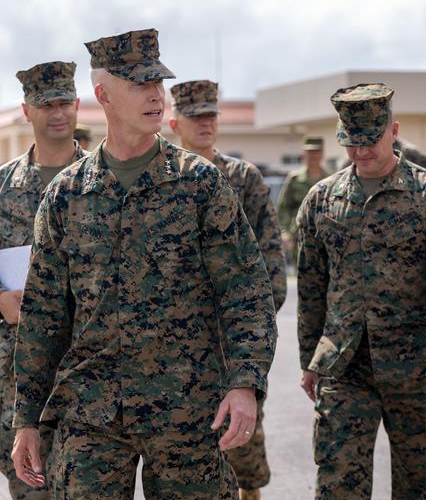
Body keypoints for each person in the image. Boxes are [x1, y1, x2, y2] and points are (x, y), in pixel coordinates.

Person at [10, 28, 277, 498]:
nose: (156, 95)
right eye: (139, 85)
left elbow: (245, 292)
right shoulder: (67, 195)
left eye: (158, 83)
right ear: (103, 96)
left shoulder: (200, 185)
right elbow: (43, 316)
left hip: (187, 410)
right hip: (91, 412)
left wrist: (246, 384)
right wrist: (26, 419)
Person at [297, 83, 426, 499]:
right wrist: (309, 359)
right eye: (352, 143)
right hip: (344, 365)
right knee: (337, 484)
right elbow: (312, 287)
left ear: (393, 130)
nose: (361, 152)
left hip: (417, 366)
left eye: (371, 142)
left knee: (417, 486)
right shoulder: (322, 200)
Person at [168, 79, 286, 500]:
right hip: (179, 344)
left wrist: (248, 330)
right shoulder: (163, 181)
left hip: (234, 340)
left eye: (210, 115)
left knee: (244, 449)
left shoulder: (244, 179)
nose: (205, 123)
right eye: (195, 116)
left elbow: (271, 265)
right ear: (174, 122)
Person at [0, 61, 86, 499]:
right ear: (26, 111)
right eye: (45, 104)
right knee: (31, 489)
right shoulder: (3, 187)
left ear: (77, 105)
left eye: (64, 103)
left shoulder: (101, 181)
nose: (57, 113)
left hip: (88, 370)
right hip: (17, 371)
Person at [277, 136, 326, 257]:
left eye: (316, 152)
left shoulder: (331, 179)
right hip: (300, 235)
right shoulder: (294, 179)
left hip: (325, 236)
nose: (313, 155)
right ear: (304, 154)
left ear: (322, 153)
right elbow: (283, 207)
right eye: (310, 152)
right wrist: (285, 232)